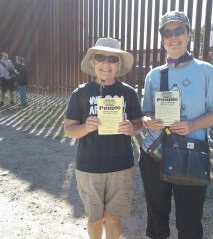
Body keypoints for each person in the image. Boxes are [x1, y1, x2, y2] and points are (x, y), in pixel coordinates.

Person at [139, 11, 213, 239]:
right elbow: (146, 110)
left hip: (191, 155)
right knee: (157, 215)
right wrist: (149, 121)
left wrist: (192, 125)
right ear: (162, 38)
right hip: (155, 153)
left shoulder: (206, 70)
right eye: (167, 32)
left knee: (189, 221)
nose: (173, 37)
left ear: (189, 34)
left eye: (179, 30)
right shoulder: (154, 75)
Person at [64, 37, 143, 239]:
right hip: (89, 167)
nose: (106, 63)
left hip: (121, 166)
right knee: (94, 219)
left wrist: (131, 128)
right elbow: (69, 130)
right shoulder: (80, 93)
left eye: (113, 59)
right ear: (93, 62)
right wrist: (86, 127)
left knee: (114, 218)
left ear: (119, 64)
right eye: (101, 57)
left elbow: (139, 124)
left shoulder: (128, 93)